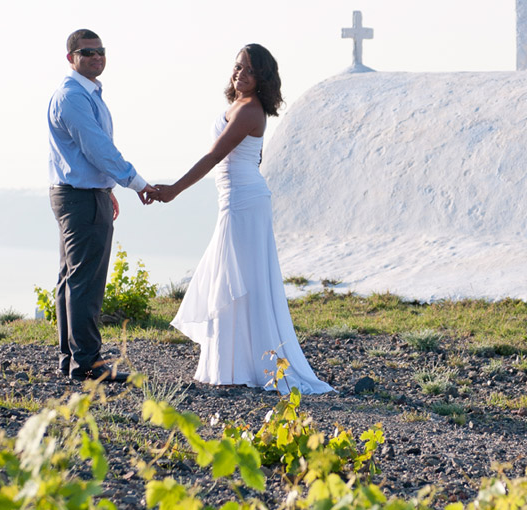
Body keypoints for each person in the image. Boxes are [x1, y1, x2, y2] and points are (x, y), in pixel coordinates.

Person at [149, 44, 333, 394]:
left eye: (249, 70)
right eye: (238, 67)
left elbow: (214, 156)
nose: (240, 74)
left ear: (261, 78)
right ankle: (233, 363)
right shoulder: (239, 106)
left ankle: (245, 365)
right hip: (237, 197)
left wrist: (173, 189)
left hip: (243, 201)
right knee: (233, 278)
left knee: (238, 280)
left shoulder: (250, 110)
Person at [48, 29, 155, 382]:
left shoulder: (86, 93)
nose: (96, 57)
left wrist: (106, 189)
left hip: (81, 192)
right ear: (71, 58)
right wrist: (135, 182)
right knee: (85, 283)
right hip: (79, 197)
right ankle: (88, 365)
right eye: (87, 52)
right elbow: (97, 148)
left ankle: (72, 360)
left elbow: (84, 154)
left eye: (100, 51)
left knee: (72, 279)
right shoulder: (73, 97)